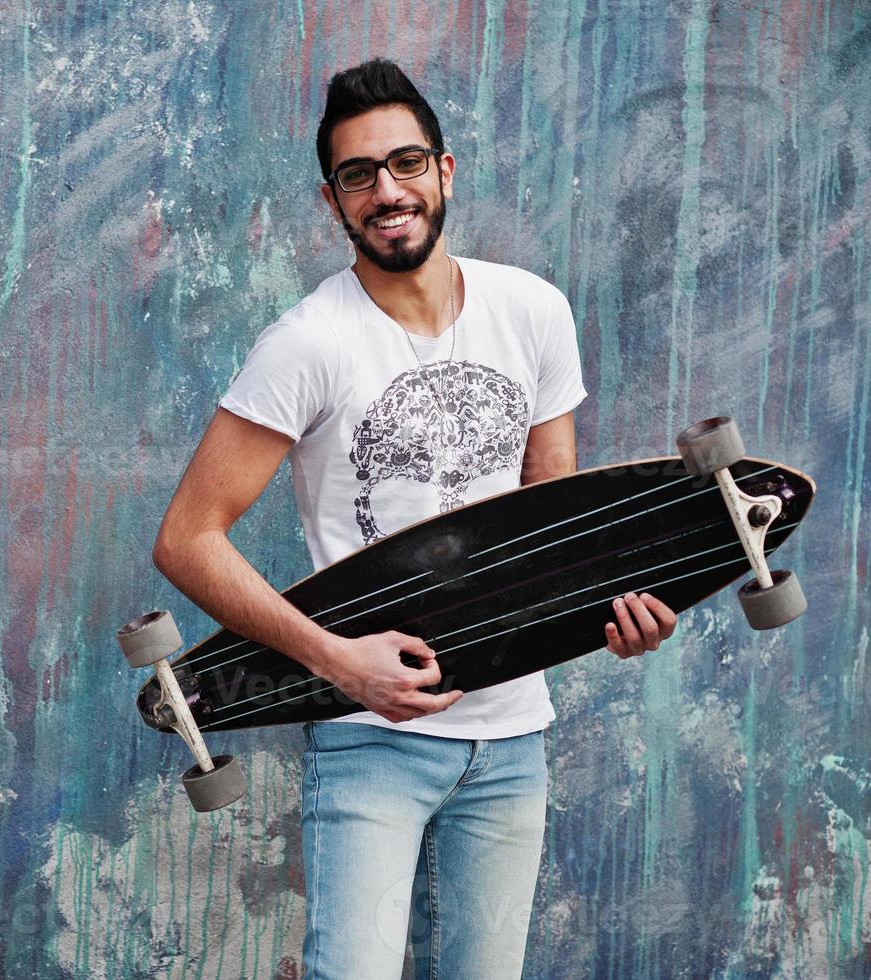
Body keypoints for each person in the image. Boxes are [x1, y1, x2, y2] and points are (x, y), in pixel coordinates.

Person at [151, 59, 677, 979]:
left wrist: (614, 620)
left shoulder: (533, 311)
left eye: (405, 163)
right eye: (360, 175)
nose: (386, 191)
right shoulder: (308, 343)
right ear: (333, 200)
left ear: (445, 169)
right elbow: (186, 539)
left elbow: (555, 530)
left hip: (514, 736)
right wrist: (334, 660)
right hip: (369, 739)